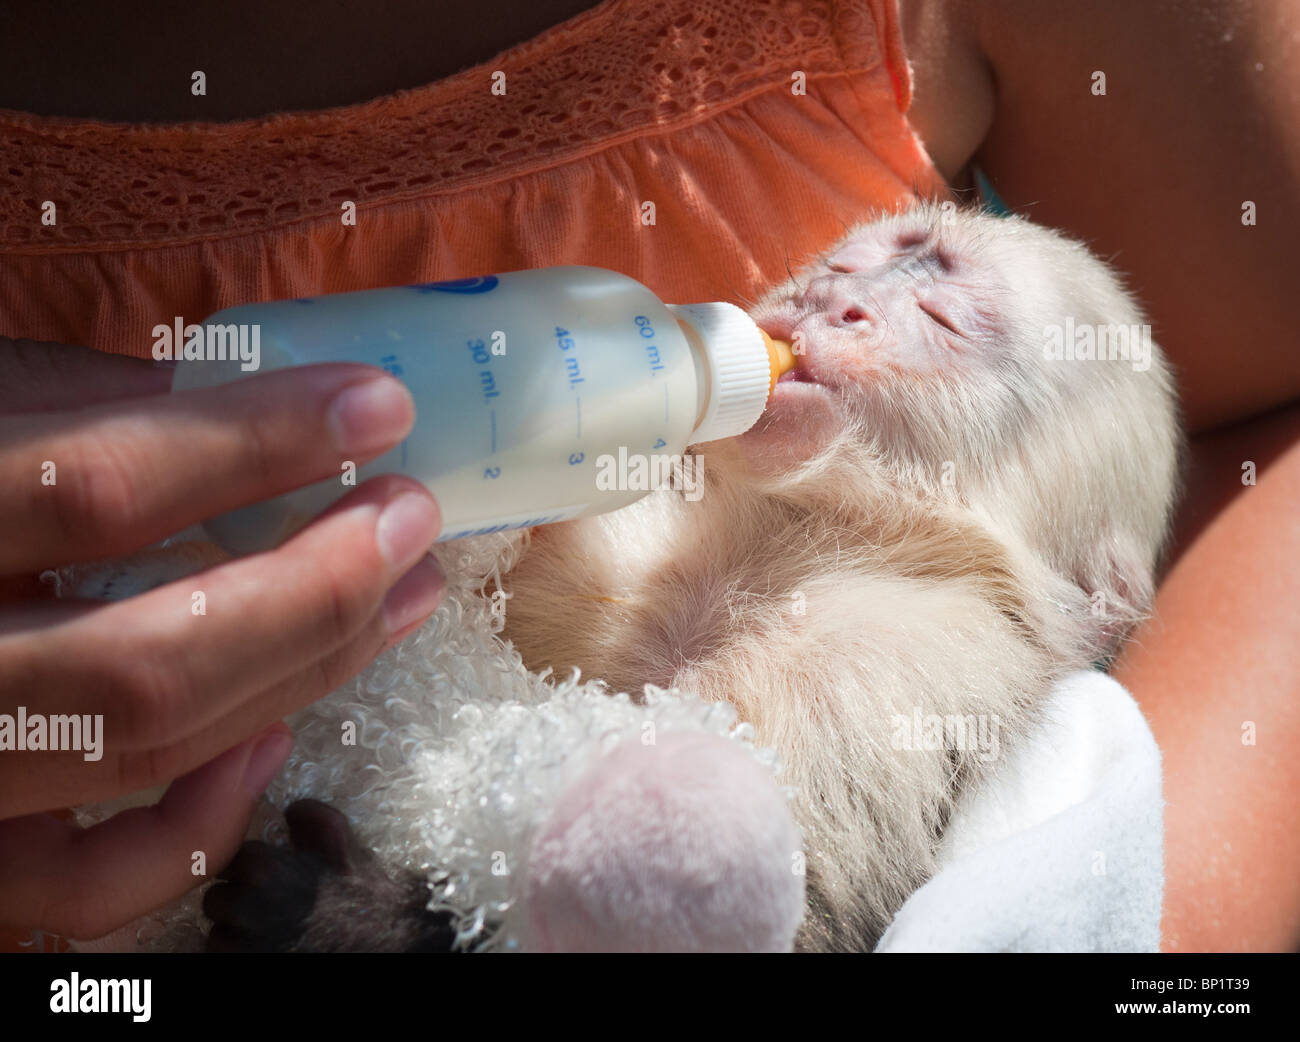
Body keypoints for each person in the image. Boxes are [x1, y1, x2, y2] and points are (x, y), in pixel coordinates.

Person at [0, 0, 1295, 951]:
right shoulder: (639, 457)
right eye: (878, 246)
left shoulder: (934, 666)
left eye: (941, 308)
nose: (838, 288)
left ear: (1091, 592)